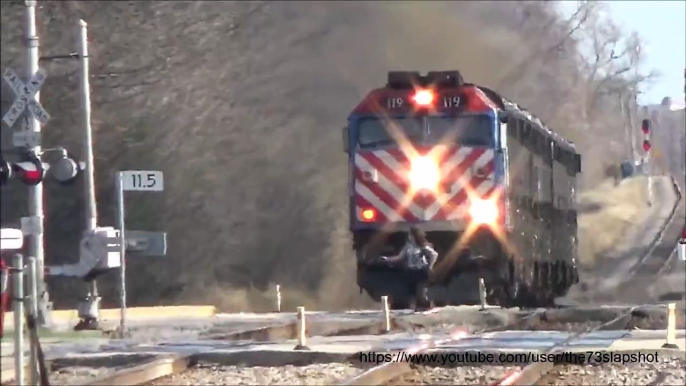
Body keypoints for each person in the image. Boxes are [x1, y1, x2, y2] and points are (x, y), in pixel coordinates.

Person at [381, 226, 438, 311]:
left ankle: (427, 307)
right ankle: (415, 308)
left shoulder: (422, 246)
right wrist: (387, 259)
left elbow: (434, 254)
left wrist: (430, 266)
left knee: (421, 292)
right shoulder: (408, 246)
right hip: (411, 272)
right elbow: (399, 257)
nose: (409, 237)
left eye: (410, 235)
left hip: (421, 271)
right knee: (412, 293)